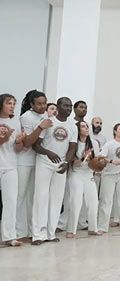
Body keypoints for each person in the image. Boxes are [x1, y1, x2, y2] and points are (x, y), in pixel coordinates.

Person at [31, 97, 77, 245]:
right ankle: (38, 235)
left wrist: (66, 162)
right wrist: (48, 153)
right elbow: (35, 145)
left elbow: (72, 147)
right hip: (44, 163)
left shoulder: (72, 126)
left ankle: (50, 234)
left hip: (60, 165)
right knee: (41, 197)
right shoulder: (48, 121)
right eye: (65, 105)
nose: (69, 108)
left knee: (56, 200)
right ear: (58, 106)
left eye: (70, 106)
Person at [16, 90, 53, 240]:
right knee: (20, 196)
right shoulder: (25, 117)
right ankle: (18, 231)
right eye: (39, 104)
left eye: (44, 103)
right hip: (24, 161)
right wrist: (41, 127)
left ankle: (32, 231)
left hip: (39, 162)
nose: (42, 106)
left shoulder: (46, 116)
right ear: (31, 104)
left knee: (33, 197)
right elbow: (28, 142)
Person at [66, 121, 102, 238]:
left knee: (93, 202)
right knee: (76, 201)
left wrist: (99, 163)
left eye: (87, 126)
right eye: (83, 127)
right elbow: (74, 164)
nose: (86, 128)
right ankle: (71, 230)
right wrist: (83, 157)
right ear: (77, 130)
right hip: (76, 174)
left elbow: (97, 161)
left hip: (89, 174)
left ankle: (93, 228)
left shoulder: (94, 143)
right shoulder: (73, 143)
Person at [97, 123, 120, 233]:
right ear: (115, 131)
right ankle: (102, 227)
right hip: (109, 175)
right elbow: (100, 157)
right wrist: (112, 161)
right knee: (106, 201)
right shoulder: (109, 144)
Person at [0, 93, 25, 246]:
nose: (12, 106)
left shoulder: (16, 122)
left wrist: (18, 141)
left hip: (10, 166)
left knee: (11, 201)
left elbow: (18, 149)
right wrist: (5, 136)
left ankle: (9, 236)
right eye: (9, 103)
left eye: (14, 103)